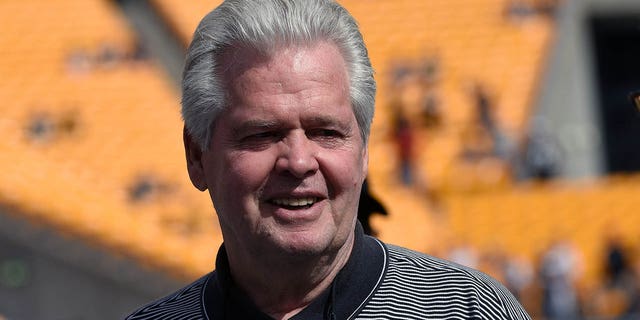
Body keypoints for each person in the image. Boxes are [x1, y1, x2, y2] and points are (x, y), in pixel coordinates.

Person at [125, 0, 531, 319]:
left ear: (365, 150)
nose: (299, 162)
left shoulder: (470, 312)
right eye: (263, 134)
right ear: (197, 155)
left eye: (326, 132)